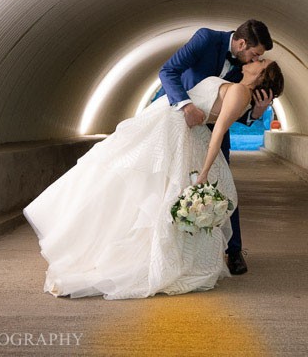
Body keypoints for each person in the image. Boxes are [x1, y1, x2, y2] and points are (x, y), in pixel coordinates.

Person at [23, 58, 285, 299]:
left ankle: (120, 250)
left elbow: (217, 133)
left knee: (131, 181)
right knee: (141, 188)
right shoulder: (238, 87)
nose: (256, 59)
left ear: (261, 74)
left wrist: (204, 173)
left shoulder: (240, 92)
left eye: (261, 61)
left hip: (172, 130)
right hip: (175, 126)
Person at [154, 20, 275, 275]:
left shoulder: (246, 72)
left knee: (223, 185)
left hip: (212, 127)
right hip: (178, 115)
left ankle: (233, 251)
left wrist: (257, 111)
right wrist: (186, 106)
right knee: (169, 182)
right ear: (242, 44)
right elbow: (168, 71)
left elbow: (234, 111)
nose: (256, 60)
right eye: (255, 54)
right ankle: (164, 246)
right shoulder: (206, 39)